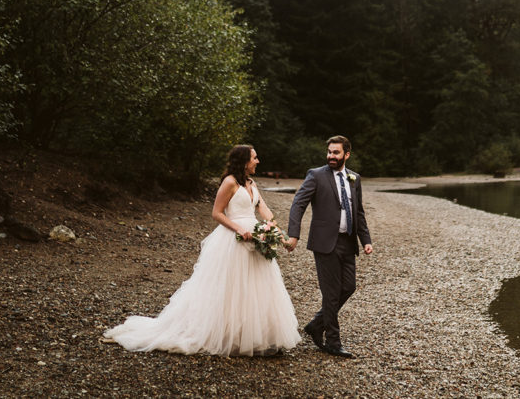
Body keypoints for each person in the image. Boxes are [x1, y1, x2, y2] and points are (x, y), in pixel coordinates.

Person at [104, 145, 300, 356]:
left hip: (256, 239)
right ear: (244, 161)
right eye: (254, 158)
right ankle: (225, 335)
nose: (258, 161)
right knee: (230, 288)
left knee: (257, 286)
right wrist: (239, 229)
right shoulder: (230, 182)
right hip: (233, 240)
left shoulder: (251, 183)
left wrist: (280, 235)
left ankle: (256, 336)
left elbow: (265, 211)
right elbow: (217, 213)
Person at [286, 135, 373, 358]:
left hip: (348, 242)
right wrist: (293, 234)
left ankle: (316, 324)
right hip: (325, 243)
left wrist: (366, 240)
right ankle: (332, 341)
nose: (331, 156)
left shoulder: (355, 178)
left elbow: (359, 212)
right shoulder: (316, 175)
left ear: (347, 154)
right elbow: (298, 203)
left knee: (349, 286)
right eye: (329, 152)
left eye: (336, 153)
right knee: (331, 293)